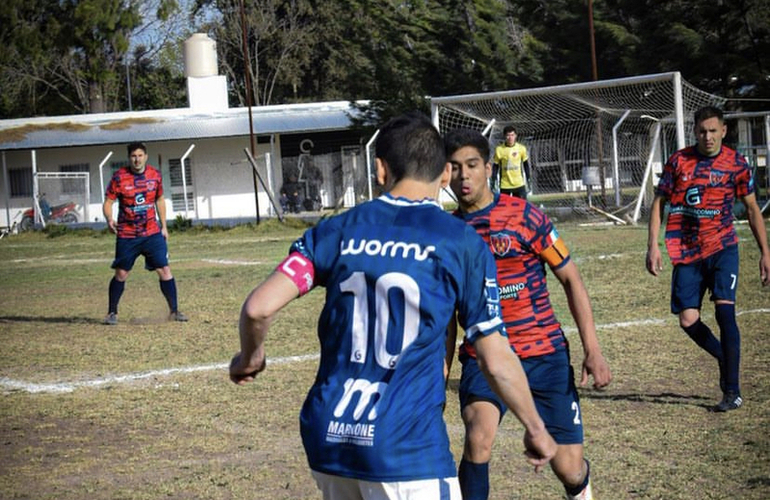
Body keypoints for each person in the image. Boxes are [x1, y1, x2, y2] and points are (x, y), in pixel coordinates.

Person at [229, 112, 557, 500]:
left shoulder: (336, 230)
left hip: (329, 440)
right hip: (407, 449)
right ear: (445, 175)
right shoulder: (461, 242)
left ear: (380, 169)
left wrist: (250, 357)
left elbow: (258, 309)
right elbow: (493, 353)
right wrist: (535, 427)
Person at [445, 128, 611, 500]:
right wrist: (441, 373)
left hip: (544, 352)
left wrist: (593, 349)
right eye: (454, 168)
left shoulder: (526, 217)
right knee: (478, 438)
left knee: (568, 467)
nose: (464, 175)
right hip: (483, 358)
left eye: (472, 165)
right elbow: (446, 314)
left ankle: (581, 486)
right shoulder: (448, 233)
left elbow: (570, 279)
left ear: (489, 168)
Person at [646, 106, 770, 412]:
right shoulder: (679, 161)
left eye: (713, 131)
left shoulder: (736, 164)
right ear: (695, 132)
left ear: (724, 131)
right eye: (702, 131)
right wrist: (653, 245)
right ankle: (723, 356)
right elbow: (659, 202)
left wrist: (766, 253)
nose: (708, 136)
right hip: (687, 251)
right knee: (688, 319)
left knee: (725, 313)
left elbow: (753, 209)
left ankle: (732, 390)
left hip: (723, 248)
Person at [102, 142, 188, 325]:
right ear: (129, 158)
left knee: (165, 270)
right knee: (121, 274)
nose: (137, 159)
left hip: (151, 232)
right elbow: (108, 202)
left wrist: (164, 226)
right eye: (133, 156)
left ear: (146, 157)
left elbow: (160, 200)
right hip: (127, 234)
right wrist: (109, 219)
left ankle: (174, 311)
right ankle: (112, 313)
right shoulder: (119, 177)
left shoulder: (154, 175)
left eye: (140, 155)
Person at [493, 125, 532, 199]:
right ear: (505, 136)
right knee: (505, 208)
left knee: (521, 208)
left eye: (512, 135)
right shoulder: (499, 149)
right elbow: (495, 166)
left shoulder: (521, 148)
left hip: (519, 184)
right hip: (505, 185)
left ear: (515, 136)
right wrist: (493, 179)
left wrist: (528, 178)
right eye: (508, 135)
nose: (510, 137)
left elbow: (526, 165)